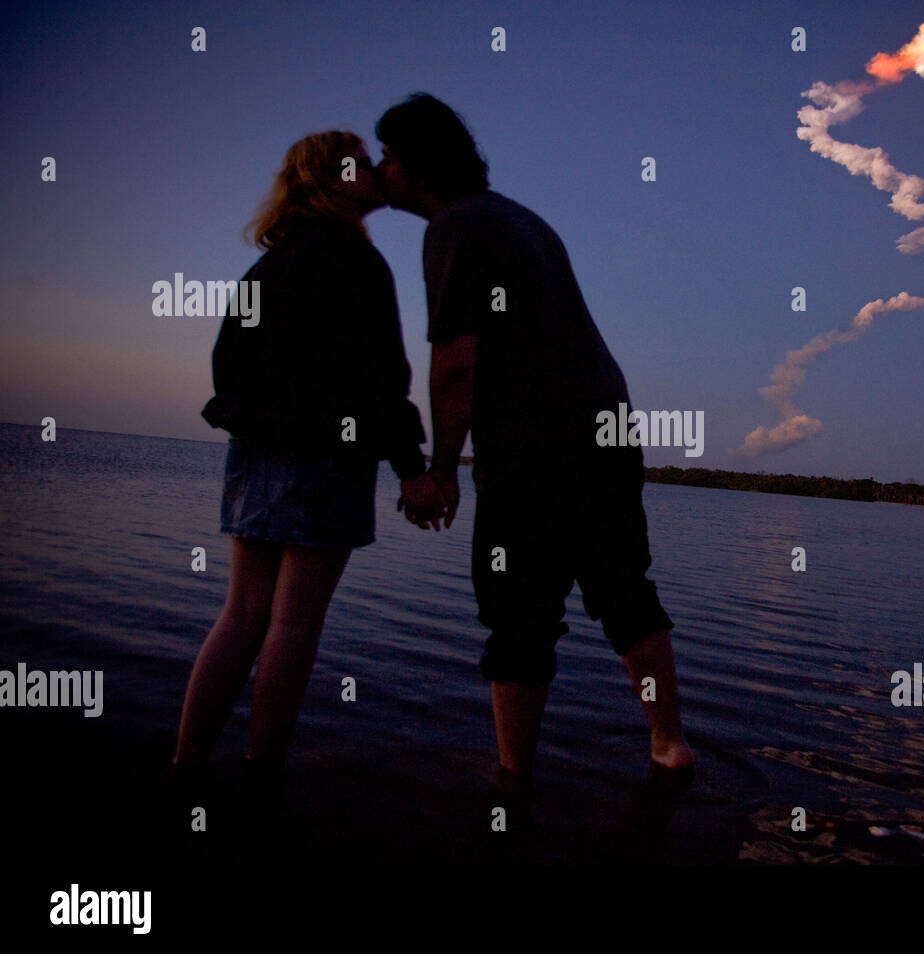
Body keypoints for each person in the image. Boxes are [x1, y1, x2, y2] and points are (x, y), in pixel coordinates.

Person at [377, 94, 695, 803]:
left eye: (389, 155)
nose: (380, 167)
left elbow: (457, 360)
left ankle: (512, 781)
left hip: (534, 450)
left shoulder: (455, 226)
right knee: (624, 594)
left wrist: (439, 471)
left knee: (518, 617)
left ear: (421, 166)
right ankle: (670, 745)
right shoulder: (524, 220)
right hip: (605, 432)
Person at [171, 130, 432, 812]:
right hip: (326, 457)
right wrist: (412, 467)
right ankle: (262, 777)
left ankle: (187, 768)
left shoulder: (272, 263)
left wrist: (257, 419)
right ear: (328, 180)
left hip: (255, 451)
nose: (375, 168)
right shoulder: (356, 264)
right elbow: (384, 380)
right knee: (292, 625)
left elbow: (228, 362)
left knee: (242, 613)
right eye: (359, 162)